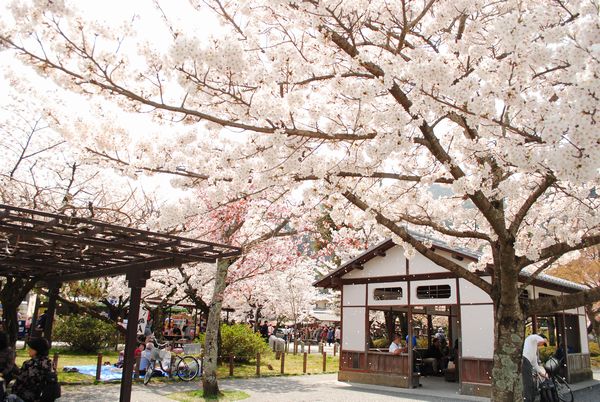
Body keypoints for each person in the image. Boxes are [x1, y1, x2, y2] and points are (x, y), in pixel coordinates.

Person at [9, 337, 56, 402]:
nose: (28, 349)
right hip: (44, 397)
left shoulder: (29, 363)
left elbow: (20, 382)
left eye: (30, 348)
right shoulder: (50, 363)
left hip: (28, 397)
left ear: (37, 350)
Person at [522, 333, 548, 402]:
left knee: (530, 383)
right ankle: (527, 400)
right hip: (524, 360)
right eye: (542, 343)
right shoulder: (532, 338)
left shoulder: (534, 348)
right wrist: (544, 340)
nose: (542, 345)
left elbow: (534, 363)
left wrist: (540, 372)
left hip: (527, 363)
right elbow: (536, 337)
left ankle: (530, 399)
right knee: (528, 383)